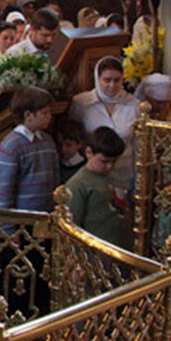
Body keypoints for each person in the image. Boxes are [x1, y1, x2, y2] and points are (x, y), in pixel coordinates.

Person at [68, 56, 137, 186]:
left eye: (117, 80)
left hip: (124, 175)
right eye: (107, 80)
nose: (112, 85)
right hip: (92, 175)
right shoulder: (81, 103)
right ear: (97, 79)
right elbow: (74, 136)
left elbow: (138, 144)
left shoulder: (134, 104)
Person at [64, 127, 133, 251]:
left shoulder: (111, 176)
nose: (110, 166)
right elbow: (72, 229)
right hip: (95, 254)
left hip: (120, 247)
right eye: (104, 161)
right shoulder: (78, 184)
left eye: (114, 161)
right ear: (89, 152)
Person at [0, 86, 59, 213]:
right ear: (28, 115)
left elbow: (55, 178)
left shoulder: (47, 141)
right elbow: (3, 189)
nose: (50, 116)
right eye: (45, 113)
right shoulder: (12, 145)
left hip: (45, 215)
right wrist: (8, 226)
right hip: (22, 218)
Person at [56, 117, 87, 185]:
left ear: (79, 144)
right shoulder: (56, 163)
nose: (63, 149)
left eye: (68, 145)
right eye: (60, 145)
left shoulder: (85, 167)